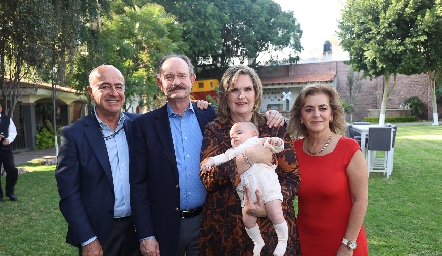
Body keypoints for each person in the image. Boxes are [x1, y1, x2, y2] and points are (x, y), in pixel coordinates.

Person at [129, 54, 284, 256]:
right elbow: (138, 184)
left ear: (192, 80)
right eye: (169, 77)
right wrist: (145, 235)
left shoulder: (211, 117)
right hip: (164, 225)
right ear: (160, 83)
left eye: (182, 76)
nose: (177, 82)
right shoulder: (144, 125)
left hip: (208, 222)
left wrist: (273, 114)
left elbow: (244, 118)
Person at [199, 64, 301, 255]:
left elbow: (293, 178)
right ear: (225, 95)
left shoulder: (274, 127)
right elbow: (209, 179)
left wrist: (271, 204)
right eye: (234, 90)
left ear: (256, 92)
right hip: (226, 232)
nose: (241, 96)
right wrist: (250, 157)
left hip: (270, 228)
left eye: (247, 89)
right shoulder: (214, 129)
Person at [55, 65, 140, 256]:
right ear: (90, 92)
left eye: (119, 86)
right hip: (100, 234)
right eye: (105, 86)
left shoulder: (140, 125)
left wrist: (203, 107)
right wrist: (88, 239)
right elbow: (69, 193)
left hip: (139, 230)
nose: (114, 93)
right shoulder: (74, 135)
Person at [287, 83, 368, 255]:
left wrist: (347, 245)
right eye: (308, 109)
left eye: (322, 108)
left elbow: (360, 201)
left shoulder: (349, 149)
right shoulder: (292, 150)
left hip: (344, 242)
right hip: (304, 242)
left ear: (332, 114)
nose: (316, 114)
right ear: (300, 116)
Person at [200, 121, 288, 255]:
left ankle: (282, 241)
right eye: (231, 136)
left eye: (239, 133)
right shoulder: (233, 152)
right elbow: (221, 158)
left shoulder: (260, 141)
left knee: (275, 214)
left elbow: (279, 146)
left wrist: (277, 141)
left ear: (253, 134)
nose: (234, 137)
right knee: (248, 220)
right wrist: (210, 161)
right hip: (247, 195)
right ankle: (258, 242)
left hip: (268, 187)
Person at [0, 105, 19, 202]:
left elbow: (13, 132)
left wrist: (8, 139)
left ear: (1, 108)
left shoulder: (7, 119)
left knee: (12, 170)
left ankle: (10, 192)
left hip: (6, 149)